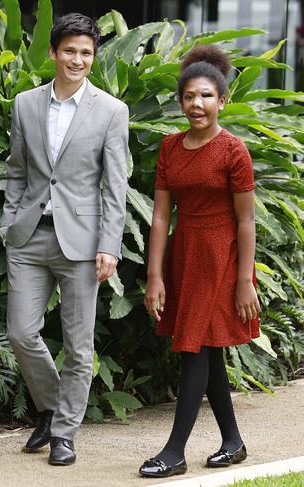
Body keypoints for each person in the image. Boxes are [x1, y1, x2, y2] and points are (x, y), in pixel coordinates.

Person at [0, 13, 129, 466]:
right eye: (69, 51)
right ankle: (54, 408)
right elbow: (17, 170)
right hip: (29, 237)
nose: (77, 59)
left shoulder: (111, 111)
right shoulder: (25, 104)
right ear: (53, 52)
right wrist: (9, 224)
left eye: (86, 53)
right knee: (21, 332)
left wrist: (109, 244)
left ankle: (64, 433)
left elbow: (115, 186)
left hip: (83, 242)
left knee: (79, 343)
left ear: (94, 56)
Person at [138, 44, 260, 478]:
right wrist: (155, 275)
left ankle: (174, 451)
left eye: (207, 96)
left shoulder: (233, 151)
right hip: (185, 253)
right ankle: (233, 441)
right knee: (208, 351)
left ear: (222, 101)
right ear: (181, 102)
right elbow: (159, 215)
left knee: (193, 349)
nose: (197, 104)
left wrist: (244, 280)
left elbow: (246, 222)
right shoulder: (170, 148)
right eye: (190, 96)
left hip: (222, 257)